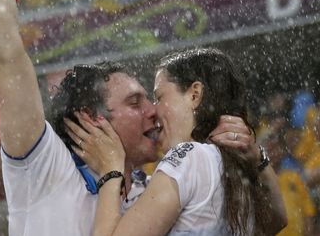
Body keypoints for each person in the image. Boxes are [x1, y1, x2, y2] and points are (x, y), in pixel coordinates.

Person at [0, 0, 286, 235]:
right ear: (91, 117)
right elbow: (7, 58)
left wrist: (254, 158)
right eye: (136, 103)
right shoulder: (43, 164)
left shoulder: (154, 187)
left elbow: (268, 224)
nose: (153, 111)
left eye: (152, 99)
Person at [66, 48, 287, 235]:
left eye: (159, 97)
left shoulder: (188, 157)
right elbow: (277, 221)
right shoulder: (232, 165)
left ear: (194, 94)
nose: (153, 109)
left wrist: (111, 171)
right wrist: (258, 159)